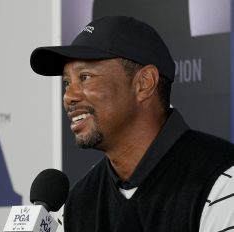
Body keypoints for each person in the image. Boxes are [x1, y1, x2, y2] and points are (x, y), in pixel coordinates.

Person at [30, 16, 234, 232]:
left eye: (85, 77)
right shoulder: (76, 205)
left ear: (144, 83)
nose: (68, 96)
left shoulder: (222, 181)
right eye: (66, 83)